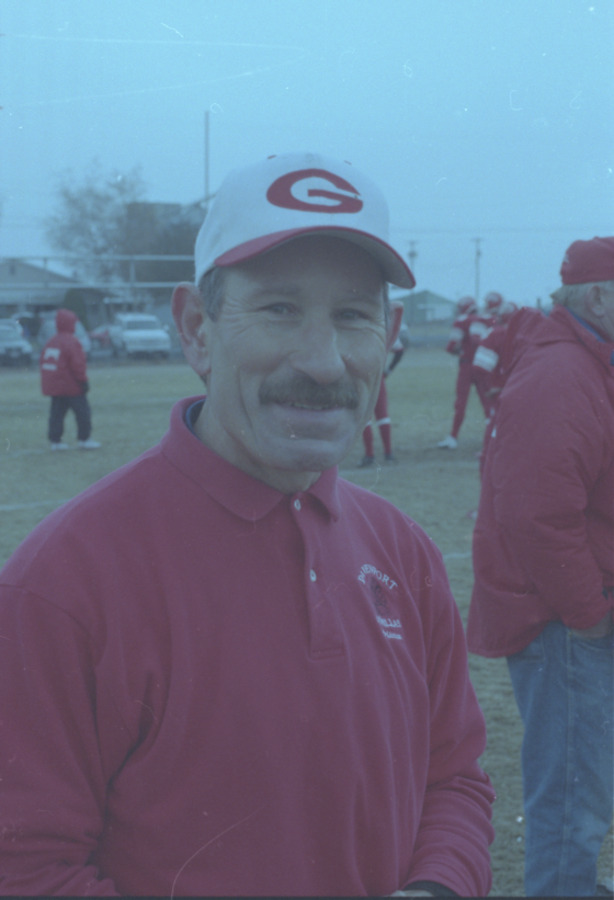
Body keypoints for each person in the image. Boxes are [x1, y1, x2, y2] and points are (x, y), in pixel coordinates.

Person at [0, 152, 494, 897]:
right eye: (279, 309)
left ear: (389, 334)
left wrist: (437, 888)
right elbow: (25, 869)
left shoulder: (404, 552)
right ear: (197, 329)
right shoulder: (63, 585)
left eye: (353, 316)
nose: (325, 362)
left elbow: (453, 778)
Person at [467, 236, 614, 897]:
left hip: (575, 614)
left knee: (587, 788)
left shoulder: (587, 362)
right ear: (599, 297)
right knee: (573, 800)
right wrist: (588, 614)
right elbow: (537, 516)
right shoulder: (562, 374)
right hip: (563, 623)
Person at [40, 307, 101, 450]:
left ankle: (55, 442)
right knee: (83, 413)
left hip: (56, 388)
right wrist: (83, 381)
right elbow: (78, 365)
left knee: (56, 415)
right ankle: (84, 439)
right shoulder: (72, 342)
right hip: (72, 387)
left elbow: (45, 365)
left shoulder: (51, 341)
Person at [437, 296, 492, 449]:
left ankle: (453, 437)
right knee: (487, 403)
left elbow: (451, 347)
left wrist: (461, 350)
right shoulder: (486, 319)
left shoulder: (462, 321)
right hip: (483, 365)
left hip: (467, 366)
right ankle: (494, 436)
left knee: (461, 403)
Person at [359, 308, 406, 466]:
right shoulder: (384, 330)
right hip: (378, 377)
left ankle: (369, 455)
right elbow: (399, 350)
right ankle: (388, 453)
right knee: (383, 415)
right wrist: (388, 370)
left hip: (362, 377)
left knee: (365, 417)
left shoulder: (357, 330)